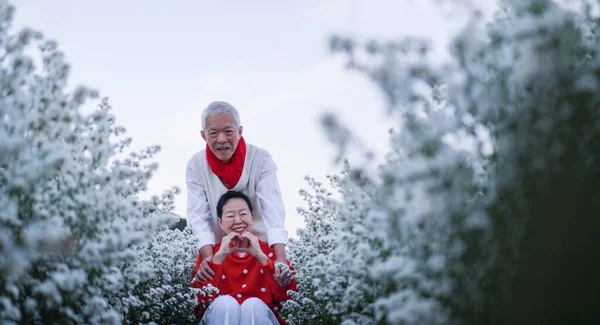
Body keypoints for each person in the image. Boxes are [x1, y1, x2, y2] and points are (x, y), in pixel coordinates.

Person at [186, 101, 290, 286]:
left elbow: (273, 208)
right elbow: (198, 215)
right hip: (218, 251)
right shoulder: (196, 165)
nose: (222, 139)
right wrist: (210, 260)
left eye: (228, 131)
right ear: (203, 135)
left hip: (260, 249)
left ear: (240, 131)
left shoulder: (261, 159)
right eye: (213, 133)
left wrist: (280, 258)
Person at [190, 191, 297, 325]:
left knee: (253, 306)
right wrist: (218, 259)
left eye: (243, 214)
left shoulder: (271, 251)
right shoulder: (210, 254)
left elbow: (290, 298)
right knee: (225, 304)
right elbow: (198, 307)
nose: (238, 220)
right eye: (230, 215)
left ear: (252, 217)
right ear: (220, 223)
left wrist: (261, 257)